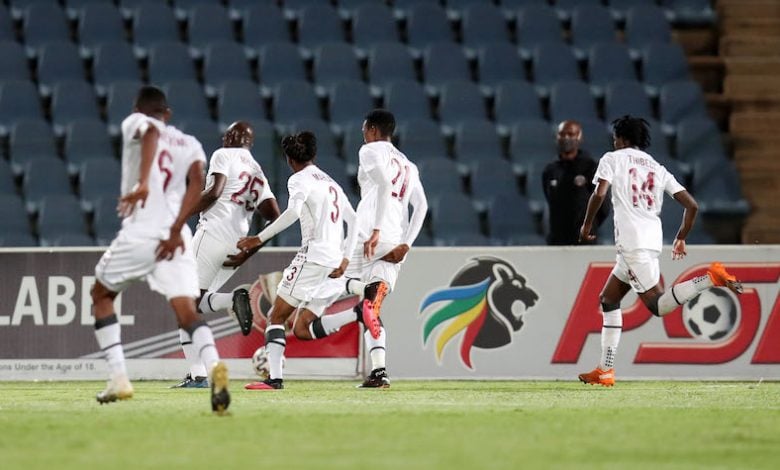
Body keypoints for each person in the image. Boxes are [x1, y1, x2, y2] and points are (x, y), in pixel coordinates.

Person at [90, 86, 230, 414]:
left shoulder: (135, 123)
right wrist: (176, 225)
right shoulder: (191, 143)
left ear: (138, 108)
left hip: (140, 232)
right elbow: (198, 183)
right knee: (187, 311)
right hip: (176, 236)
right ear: (167, 112)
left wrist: (142, 183)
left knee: (101, 296)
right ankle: (213, 369)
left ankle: (119, 377)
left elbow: (150, 133)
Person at [577, 115, 743, 387]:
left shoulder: (613, 158)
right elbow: (692, 205)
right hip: (650, 241)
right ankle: (604, 370)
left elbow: (599, 193)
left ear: (622, 138)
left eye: (616, 137)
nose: (614, 141)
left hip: (632, 245)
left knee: (658, 306)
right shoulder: (657, 167)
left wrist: (586, 225)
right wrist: (681, 237)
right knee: (608, 299)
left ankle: (710, 278)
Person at [275, 109, 428, 389]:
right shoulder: (410, 166)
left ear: (371, 129)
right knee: (370, 305)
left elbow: (381, 183)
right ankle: (378, 370)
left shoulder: (370, 151)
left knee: (303, 324)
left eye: (363, 130)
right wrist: (406, 243)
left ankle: (357, 294)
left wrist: (377, 229)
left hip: (366, 237)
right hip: (395, 242)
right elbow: (422, 206)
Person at [236, 131, 360, 390]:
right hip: (335, 262)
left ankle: (275, 379)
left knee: (276, 317)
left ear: (289, 159)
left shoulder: (298, 180)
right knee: (303, 327)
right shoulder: (330, 181)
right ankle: (358, 312)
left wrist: (258, 238)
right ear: (313, 154)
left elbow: (292, 212)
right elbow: (354, 219)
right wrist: (346, 258)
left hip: (313, 257)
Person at [171, 121, 281, 389]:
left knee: (184, 304)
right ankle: (230, 300)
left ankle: (198, 374)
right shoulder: (257, 170)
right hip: (237, 245)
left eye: (228, 132)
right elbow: (275, 217)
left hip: (212, 235)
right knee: (197, 302)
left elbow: (214, 192)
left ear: (233, 136)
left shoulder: (223, 154)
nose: (224, 135)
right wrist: (251, 248)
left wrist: (181, 214)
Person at [542, 120, 608, 245]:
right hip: (557, 241)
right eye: (562, 134)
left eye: (571, 134)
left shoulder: (591, 167)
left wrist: (590, 227)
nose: (566, 138)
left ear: (579, 137)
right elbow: (550, 199)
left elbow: (603, 206)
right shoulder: (550, 170)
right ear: (557, 137)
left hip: (584, 240)